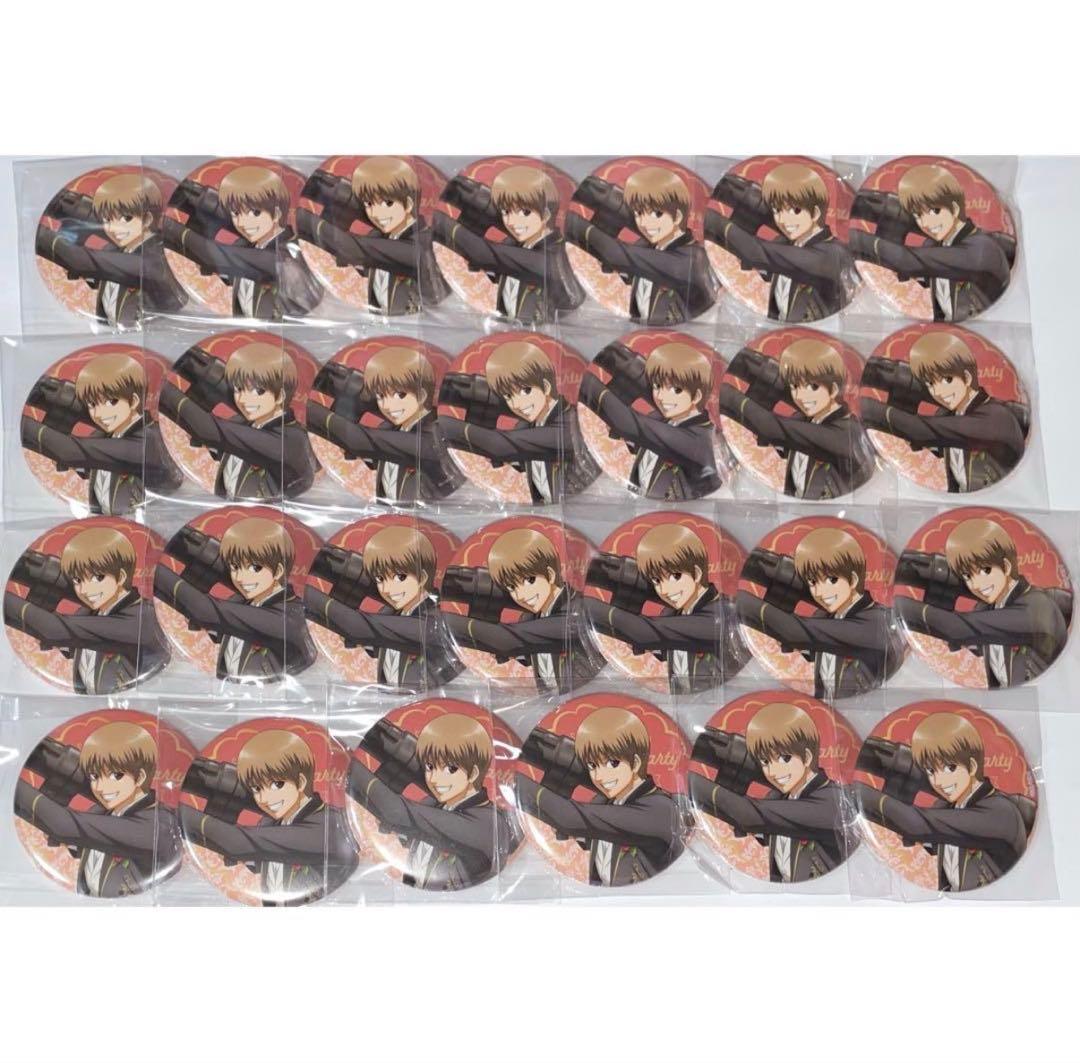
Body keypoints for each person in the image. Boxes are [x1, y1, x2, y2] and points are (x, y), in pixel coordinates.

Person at [180, 729, 358, 905]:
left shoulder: (328, 826)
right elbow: (262, 859)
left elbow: (238, 843)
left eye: (277, 785)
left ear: (301, 782)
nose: (264, 799)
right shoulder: (271, 822)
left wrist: (175, 810)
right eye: (257, 788)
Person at [855, 712, 1028, 891]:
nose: (939, 781)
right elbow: (938, 839)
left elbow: (917, 824)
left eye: (950, 768)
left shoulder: (1000, 813)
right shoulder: (946, 806)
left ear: (972, 766)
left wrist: (855, 793)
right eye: (931, 771)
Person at [515, 706, 684, 886]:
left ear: (635, 763)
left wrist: (511, 779)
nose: (600, 776)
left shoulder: (659, 810)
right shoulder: (604, 801)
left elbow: (571, 818)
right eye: (592, 766)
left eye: (613, 763)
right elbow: (590, 835)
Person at [347, 713, 516, 890]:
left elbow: (396, 813)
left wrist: (348, 768)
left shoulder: (487, 824)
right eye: (429, 766)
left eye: (450, 769)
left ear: (473, 773)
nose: (434, 779)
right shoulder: (437, 805)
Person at [895, 517, 1069, 687]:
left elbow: (958, 628)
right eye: (967, 576)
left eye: (985, 570)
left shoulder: (1036, 607)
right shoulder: (988, 607)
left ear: (1006, 566)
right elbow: (965, 638)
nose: (976, 584)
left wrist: (899, 605)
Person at [689, 702, 851, 882]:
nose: (773, 772)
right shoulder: (779, 796)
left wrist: (686, 782)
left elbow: (749, 815)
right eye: (765, 762)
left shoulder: (832, 801)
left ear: (807, 757)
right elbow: (770, 831)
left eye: (784, 758)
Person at [14, 720, 178, 897]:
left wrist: (11, 787)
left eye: (115, 775)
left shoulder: (156, 826)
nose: (100, 787)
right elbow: (91, 843)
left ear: (139, 777)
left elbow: (64, 826)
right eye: (94, 776)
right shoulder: (103, 811)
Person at [737, 526, 903, 699]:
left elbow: (795, 631)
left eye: (832, 579)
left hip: (863, 701)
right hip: (825, 700)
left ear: (853, 580)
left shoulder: (877, 622)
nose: (820, 592)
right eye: (813, 582)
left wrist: (741, 602)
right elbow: (808, 648)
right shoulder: (826, 616)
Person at [4, 525, 169, 694]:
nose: (84, 590)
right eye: (77, 580)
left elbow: (56, 629)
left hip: (135, 698)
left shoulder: (142, 617)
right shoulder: (89, 612)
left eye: (98, 577)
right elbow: (75, 646)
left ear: (121, 577)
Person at [858, 330, 1026, 492]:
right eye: (930, 383)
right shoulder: (949, 414)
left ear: (967, 378)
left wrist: (870, 409)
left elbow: (921, 430)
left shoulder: (995, 417)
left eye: (948, 379)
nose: (938, 392)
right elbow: (934, 441)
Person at [153, 517, 317, 682]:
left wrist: (153, 572)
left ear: (278, 570)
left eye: (255, 568)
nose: (240, 577)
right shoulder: (243, 601)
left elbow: (207, 611)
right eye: (235, 567)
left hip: (272, 693)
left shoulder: (288, 616)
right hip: (230, 688)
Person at [21, 351, 183, 514]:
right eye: (92, 404)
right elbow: (91, 467)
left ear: (134, 401)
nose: (99, 414)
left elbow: (71, 451)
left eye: (111, 402)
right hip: (108, 518)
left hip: (152, 515)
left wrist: (24, 426)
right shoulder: (106, 435)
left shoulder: (149, 441)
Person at [304, 524, 463, 689]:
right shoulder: (390, 612)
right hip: (388, 694)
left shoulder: (436, 619)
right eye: (380, 579)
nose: (387, 589)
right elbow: (378, 643)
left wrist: (306, 593)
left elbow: (358, 627)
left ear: (422, 578)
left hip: (427, 693)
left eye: (400, 577)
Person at [848, 164, 1012, 322]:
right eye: (918, 215)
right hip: (948, 326)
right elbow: (907, 274)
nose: (926, 223)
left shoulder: (981, 250)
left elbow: (908, 261)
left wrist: (857, 240)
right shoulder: (934, 245)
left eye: (935, 211)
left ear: (955, 209)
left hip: (985, 322)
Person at [159, 340, 319, 500]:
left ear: (280, 396)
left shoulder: (290, 440)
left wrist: (162, 390)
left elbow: (210, 431)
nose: (243, 399)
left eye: (258, 390)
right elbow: (226, 445)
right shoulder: (246, 423)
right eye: (238, 389)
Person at [718, 336, 874, 499]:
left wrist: (730, 396)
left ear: (834, 389)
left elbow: (772, 427)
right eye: (794, 386)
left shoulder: (846, 432)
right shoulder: (805, 419)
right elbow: (773, 432)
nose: (800, 396)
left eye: (813, 386)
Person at [162, 164, 322, 319]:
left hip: (285, 331)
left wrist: (172, 228)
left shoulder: (284, 255)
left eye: (256, 212)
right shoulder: (248, 245)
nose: (243, 223)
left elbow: (214, 255)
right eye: (236, 213)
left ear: (277, 213)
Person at [565, 166, 718, 324]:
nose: (644, 223)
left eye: (657, 214)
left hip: (683, 333)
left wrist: (573, 224)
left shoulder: (690, 260)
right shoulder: (649, 245)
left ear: (678, 216)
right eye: (638, 213)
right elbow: (622, 263)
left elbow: (616, 255)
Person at [704, 162, 856, 321]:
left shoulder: (830, 254)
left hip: (820, 328)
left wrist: (714, 222)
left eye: (796, 210)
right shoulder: (786, 242)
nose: (783, 220)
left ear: (816, 213)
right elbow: (750, 259)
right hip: (778, 326)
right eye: (777, 210)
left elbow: (757, 252)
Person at [297, 156, 449, 314]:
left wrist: (303, 218)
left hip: (418, 321)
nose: (376, 213)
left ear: (409, 204)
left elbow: (352, 248)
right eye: (368, 204)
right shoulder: (378, 236)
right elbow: (344, 257)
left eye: (388, 203)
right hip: (378, 319)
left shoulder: (423, 244)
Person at [432, 164, 583, 323]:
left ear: (545, 215)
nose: (511, 221)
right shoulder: (514, 244)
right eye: (506, 212)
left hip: (542, 330)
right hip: (507, 326)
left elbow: (484, 253)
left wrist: (440, 223)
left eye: (525, 212)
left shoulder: (553, 257)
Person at [35, 171, 186, 328]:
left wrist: (36, 233)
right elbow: (104, 279)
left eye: (126, 218)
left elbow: (79, 260)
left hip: (151, 335)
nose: (113, 228)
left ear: (147, 219)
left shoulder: (151, 260)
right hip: (117, 333)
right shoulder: (116, 249)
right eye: (107, 220)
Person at [578, 339, 722, 499]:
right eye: (657, 386)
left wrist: (584, 383)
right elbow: (646, 441)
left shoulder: (699, 440)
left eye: (676, 389)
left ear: (696, 396)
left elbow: (633, 425)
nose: (660, 396)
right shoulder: (664, 419)